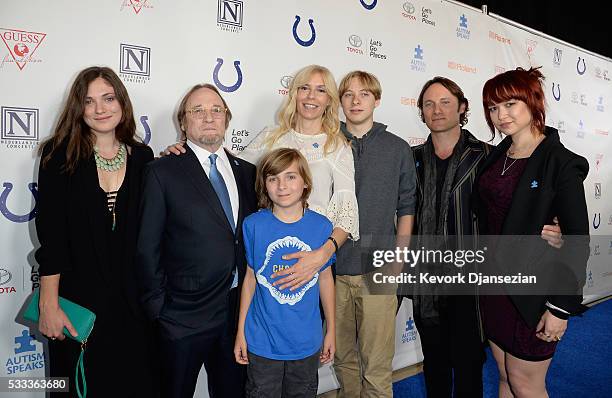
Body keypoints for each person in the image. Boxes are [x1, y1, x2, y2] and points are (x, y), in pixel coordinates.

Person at [410, 76, 563, 398]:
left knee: (469, 364)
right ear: (421, 112)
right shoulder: (411, 160)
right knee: (434, 362)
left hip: (475, 281)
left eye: (445, 102)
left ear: (462, 107)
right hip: (426, 281)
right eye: (428, 104)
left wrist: (555, 225)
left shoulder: (490, 157)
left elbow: (518, 206)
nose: (436, 110)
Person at [165, 65, 359, 290]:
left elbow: (347, 215)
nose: (311, 96)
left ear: (329, 100)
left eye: (321, 90)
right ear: (294, 94)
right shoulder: (271, 136)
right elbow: (226, 164)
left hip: (314, 256)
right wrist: (186, 149)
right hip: (270, 251)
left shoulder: (338, 147)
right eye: (304, 88)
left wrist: (321, 256)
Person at [35, 66, 157, 397]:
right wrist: (48, 304)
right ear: (79, 108)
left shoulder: (144, 157)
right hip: (76, 303)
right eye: (89, 102)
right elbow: (52, 236)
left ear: (122, 102)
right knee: (79, 387)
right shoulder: (59, 155)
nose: (100, 109)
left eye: (108, 98)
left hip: (132, 305)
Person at [136, 83, 257, 398]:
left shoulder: (248, 172)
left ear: (227, 120)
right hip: (181, 317)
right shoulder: (162, 172)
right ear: (183, 122)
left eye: (216, 110)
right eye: (198, 111)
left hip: (237, 314)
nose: (208, 117)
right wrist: (159, 310)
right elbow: (147, 247)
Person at [474, 67, 589, 398]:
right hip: (493, 285)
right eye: (493, 108)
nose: (501, 115)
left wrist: (559, 307)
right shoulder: (498, 155)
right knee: (506, 378)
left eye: (510, 104)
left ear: (533, 101)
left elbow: (576, 241)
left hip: (534, 294)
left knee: (526, 384)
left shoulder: (561, 162)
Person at [332, 70, 416, 397]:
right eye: (349, 94)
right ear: (340, 101)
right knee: (343, 359)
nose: (356, 101)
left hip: (380, 268)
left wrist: (399, 258)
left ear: (377, 100)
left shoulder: (397, 149)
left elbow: (406, 205)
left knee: (378, 363)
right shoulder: (325, 143)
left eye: (364, 94)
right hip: (333, 269)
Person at [234, 148, 335, 398]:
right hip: (262, 342)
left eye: (290, 177)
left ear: (305, 183)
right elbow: (250, 279)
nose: (282, 186)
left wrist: (331, 328)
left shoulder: (321, 227)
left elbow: (325, 278)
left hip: (305, 343)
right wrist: (240, 332)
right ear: (264, 185)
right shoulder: (252, 225)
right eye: (273, 178)